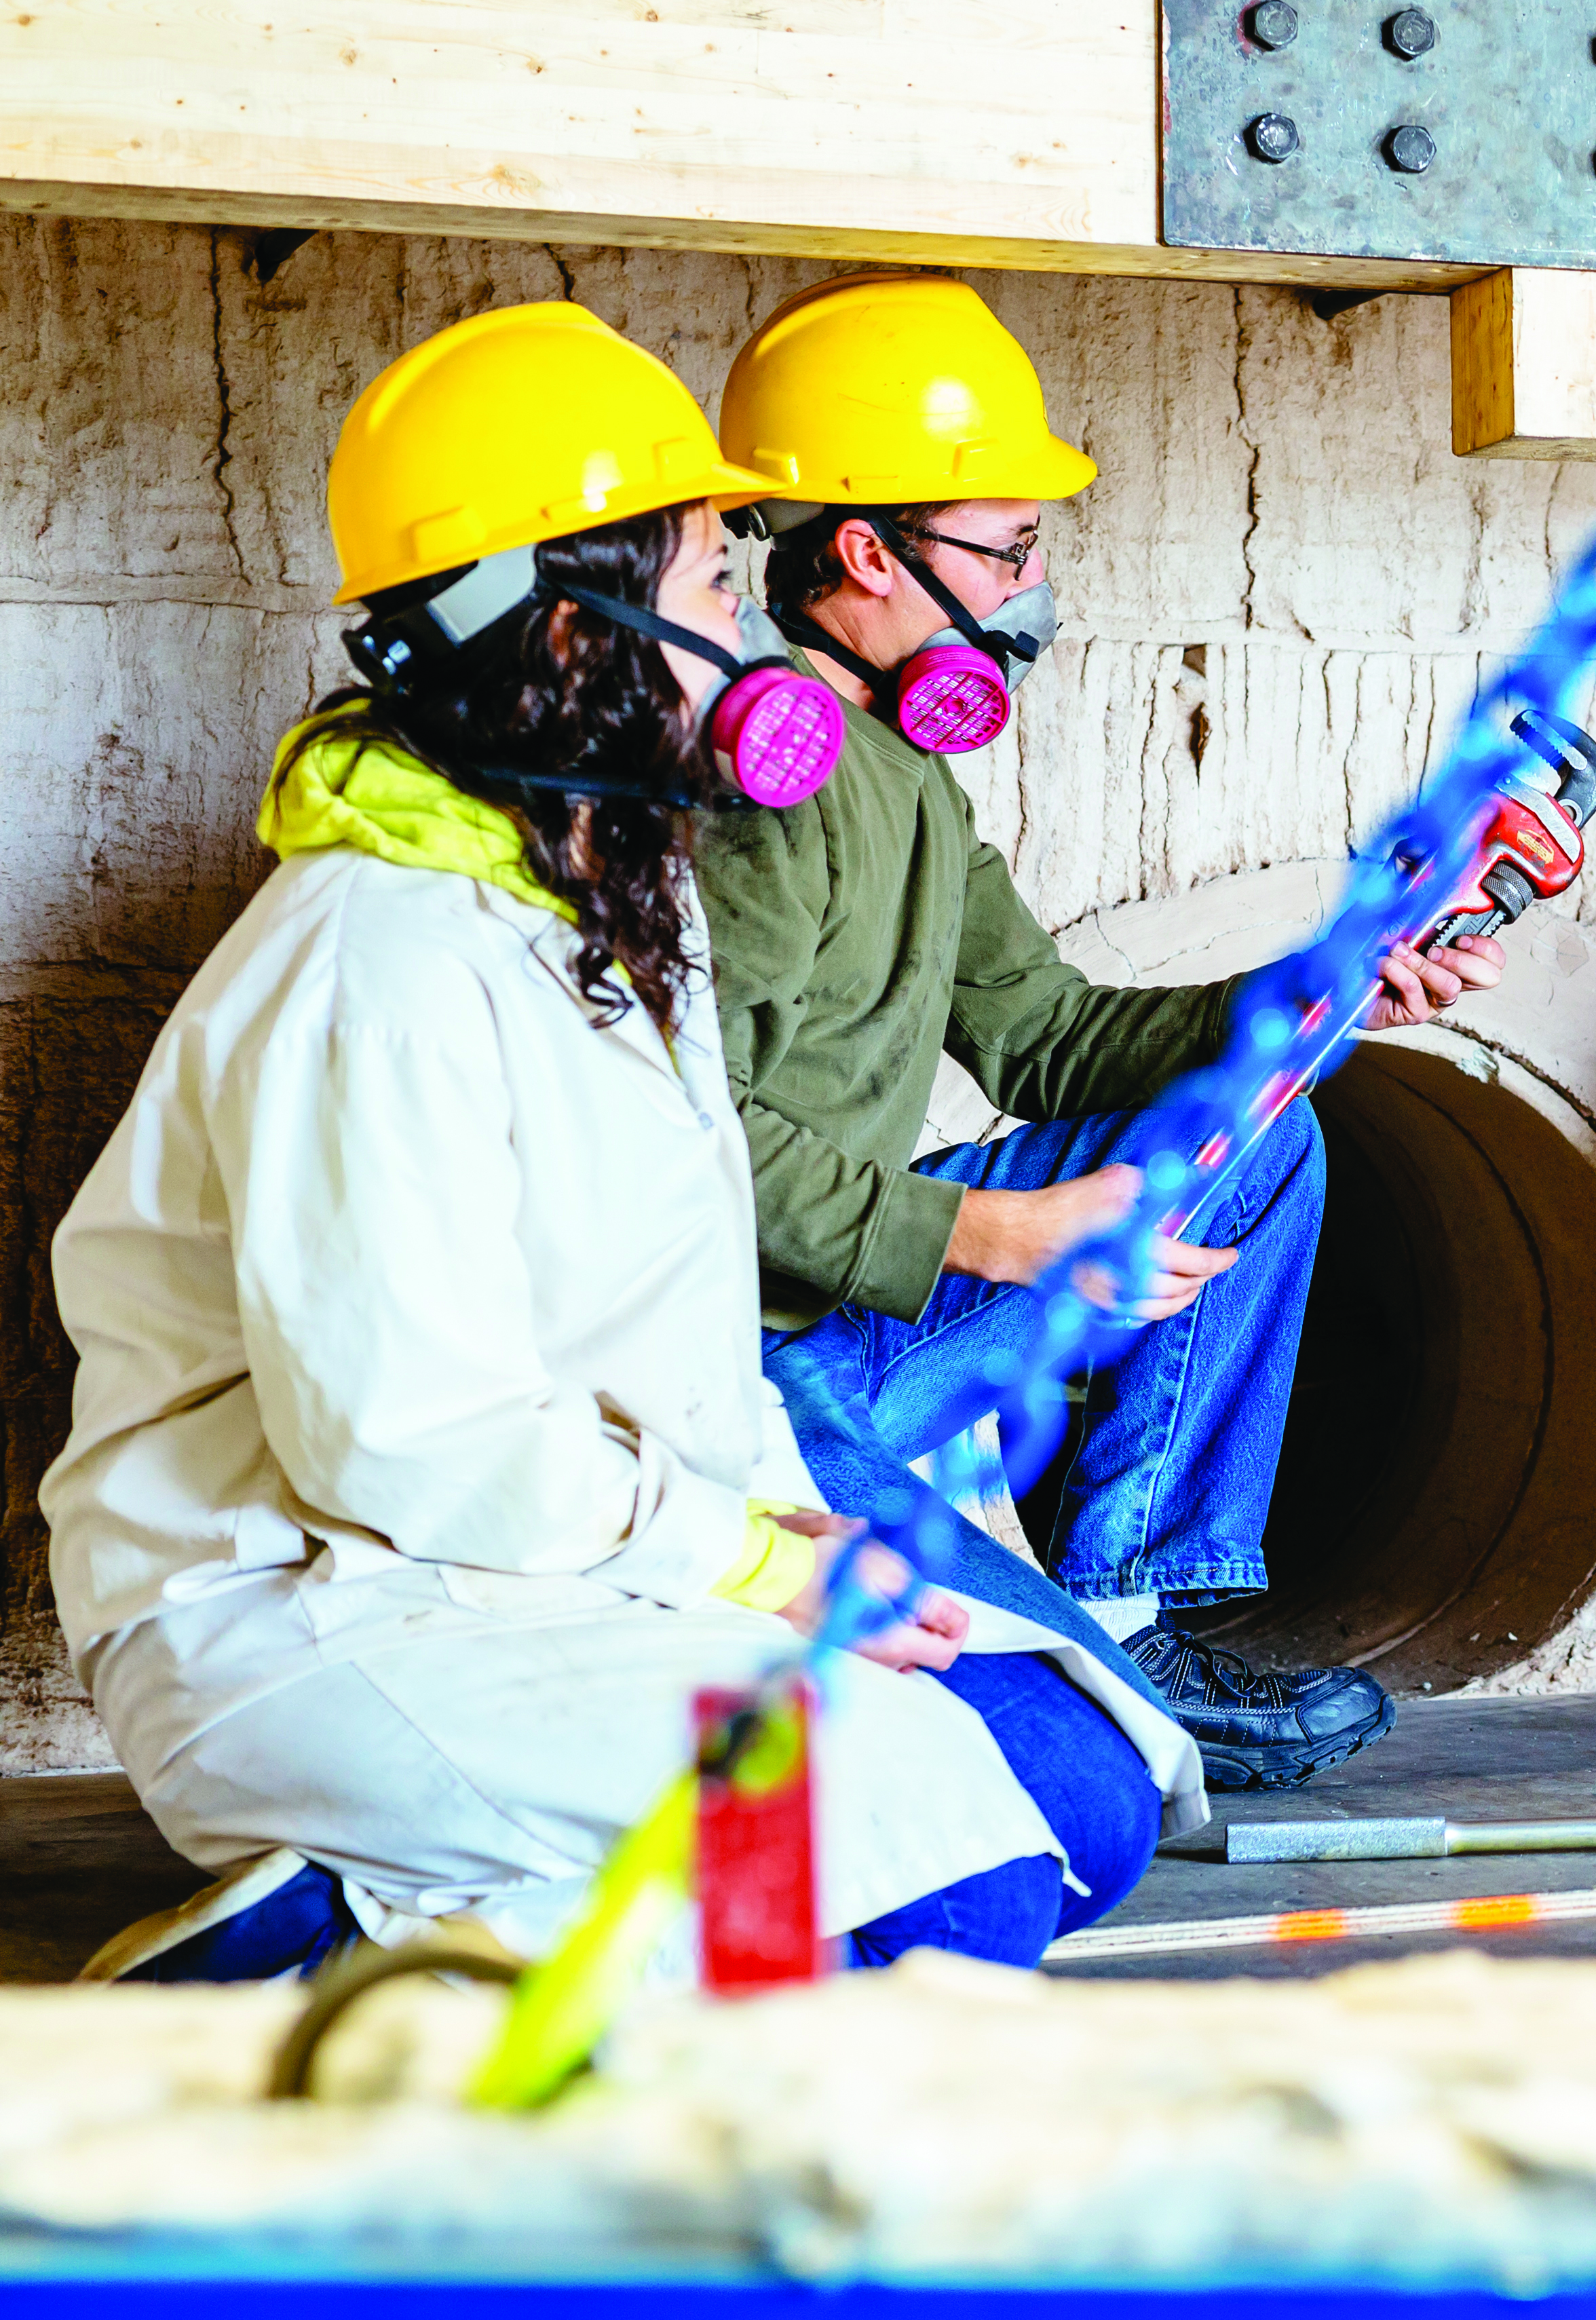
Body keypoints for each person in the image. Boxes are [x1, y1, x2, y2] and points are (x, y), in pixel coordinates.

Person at [44, 301, 1200, 1983]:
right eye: (720, 593)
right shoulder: (381, 954)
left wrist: (794, 1538)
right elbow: (408, 1442)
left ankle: (433, 1915)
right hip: (317, 1608)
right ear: (572, 636)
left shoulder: (602, 902)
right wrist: (744, 1561)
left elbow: (672, 1329)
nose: (757, 642)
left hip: (570, 1556)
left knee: (1077, 1801)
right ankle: (302, 1960)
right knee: (949, 1893)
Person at [698, 271, 1499, 1793]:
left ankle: (1134, 1597)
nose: (1032, 592)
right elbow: (698, 1146)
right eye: (1006, 551)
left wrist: (1320, 992)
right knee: (1060, 1736)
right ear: (867, 552)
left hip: (867, 1324)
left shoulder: (909, 780)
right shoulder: (765, 794)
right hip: (756, 1375)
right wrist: (994, 1235)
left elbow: (1049, 1041)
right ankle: (1108, 1670)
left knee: (1268, 1135)